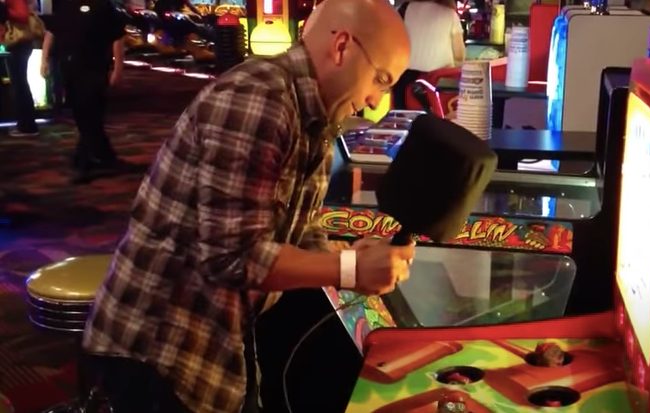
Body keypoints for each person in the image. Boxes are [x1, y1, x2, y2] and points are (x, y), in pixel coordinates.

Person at [81, 0, 413, 412]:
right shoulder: (260, 97)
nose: (374, 100)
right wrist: (348, 270)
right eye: (381, 80)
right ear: (342, 46)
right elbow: (231, 257)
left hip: (214, 339)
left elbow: (297, 229)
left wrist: (344, 256)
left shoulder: (314, 114)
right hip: (156, 346)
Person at [40, 0, 128, 183]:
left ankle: (85, 161)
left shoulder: (102, 6)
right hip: (70, 68)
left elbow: (117, 37)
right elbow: (51, 32)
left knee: (89, 111)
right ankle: (102, 156)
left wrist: (118, 68)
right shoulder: (66, 6)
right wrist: (44, 59)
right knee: (83, 114)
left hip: (95, 68)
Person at [391, 0, 465, 109]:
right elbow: (459, 54)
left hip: (406, 81)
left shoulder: (404, 9)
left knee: (404, 117)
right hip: (439, 82)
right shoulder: (450, 14)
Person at [1, 0, 40, 137]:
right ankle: (26, 124)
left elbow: (22, 15)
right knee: (19, 84)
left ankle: (27, 125)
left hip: (19, 43)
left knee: (20, 85)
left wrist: (5, 9)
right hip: (19, 44)